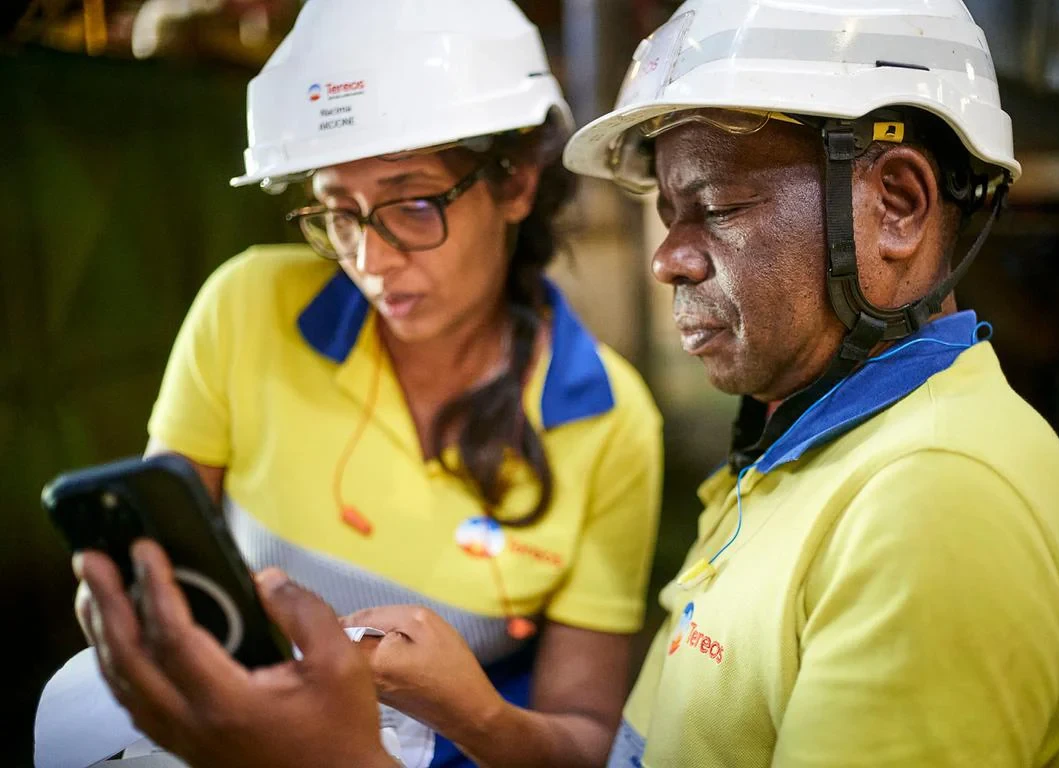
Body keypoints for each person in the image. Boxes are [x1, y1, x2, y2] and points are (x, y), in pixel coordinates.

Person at [74, 1, 1059, 767]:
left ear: (897, 204)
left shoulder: (937, 505)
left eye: (717, 205)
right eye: (336, 211)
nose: (668, 259)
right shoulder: (802, 459)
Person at [49, 0, 662, 766]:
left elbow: (580, 741)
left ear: (516, 184)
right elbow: (163, 553)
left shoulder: (609, 420)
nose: (370, 262)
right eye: (341, 212)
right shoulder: (246, 309)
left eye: (411, 204)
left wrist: (471, 712)